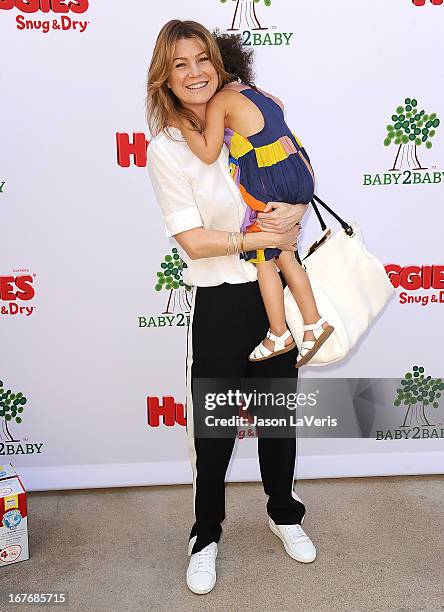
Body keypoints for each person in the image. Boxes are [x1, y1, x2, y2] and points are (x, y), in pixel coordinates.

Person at [146, 19, 316, 596]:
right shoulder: (167, 149)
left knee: (277, 416)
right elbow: (192, 241)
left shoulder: (246, 107)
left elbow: (297, 178)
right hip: (220, 297)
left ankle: (283, 511)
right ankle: (205, 533)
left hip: (274, 295)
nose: (194, 73)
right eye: (180, 65)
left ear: (219, 64)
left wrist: (291, 218)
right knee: (214, 429)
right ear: (164, 79)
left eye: (202, 60)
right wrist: (255, 240)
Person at [177, 31, 334, 368]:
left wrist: (181, 120)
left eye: (204, 63)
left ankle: (279, 332)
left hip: (270, 180)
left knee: (264, 257)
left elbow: (207, 151)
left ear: (218, 67)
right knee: (286, 257)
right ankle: (313, 323)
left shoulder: (221, 101)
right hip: (298, 173)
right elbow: (277, 111)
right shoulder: (258, 92)